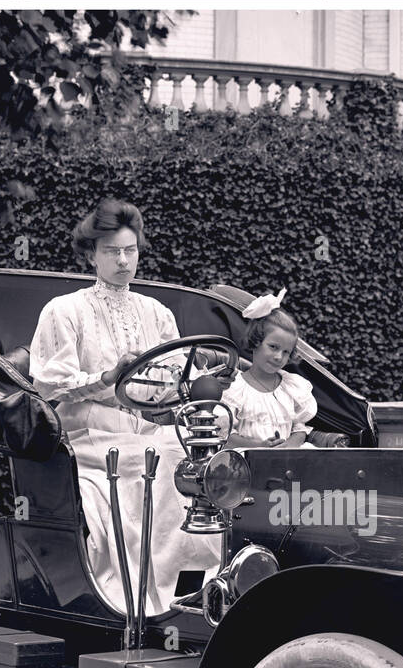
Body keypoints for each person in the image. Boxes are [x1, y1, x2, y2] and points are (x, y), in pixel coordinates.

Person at [28, 198, 222, 617]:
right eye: (111, 251)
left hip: (148, 432)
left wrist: (195, 379)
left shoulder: (158, 313)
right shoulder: (65, 311)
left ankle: (195, 586)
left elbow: (173, 381)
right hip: (87, 436)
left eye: (130, 250)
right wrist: (106, 380)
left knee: (201, 456)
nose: (122, 260)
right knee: (163, 457)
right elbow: (47, 384)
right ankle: (142, 603)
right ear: (90, 255)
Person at [223, 295, 319, 449]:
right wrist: (260, 446)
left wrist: (291, 445)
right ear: (255, 342)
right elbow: (226, 436)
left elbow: (299, 428)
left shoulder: (292, 387)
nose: (279, 357)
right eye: (273, 347)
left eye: (286, 352)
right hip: (248, 460)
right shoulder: (234, 388)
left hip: (287, 459)